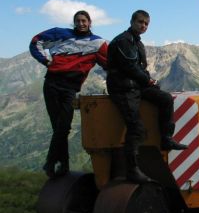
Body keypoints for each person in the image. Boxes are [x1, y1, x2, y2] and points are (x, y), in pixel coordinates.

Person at [106, 9, 188, 183]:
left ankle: (166, 139)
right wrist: (148, 80)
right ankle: (132, 170)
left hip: (136, 85)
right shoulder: (123, 41)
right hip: (123, 88)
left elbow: (140, 68)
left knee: (165, 99)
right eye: (140, 22)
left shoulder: (137, 43)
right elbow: (130, 67)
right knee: (136, 128)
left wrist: (150, 82)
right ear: (132, 22)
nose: (143, 25)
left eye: (146, 23)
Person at [29, 10, 108, 178]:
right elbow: (35, 41)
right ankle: (63, 165)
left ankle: (51, 162)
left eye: (84, 21)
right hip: (51, 84)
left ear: (89, 22)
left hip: (70, 89)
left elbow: (111, 63)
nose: (81, 23)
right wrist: (46, 60)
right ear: (74, 23)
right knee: (58, 127)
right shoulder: (60, 33)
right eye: (78, 21)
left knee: (63, 126)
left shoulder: (98, 43)